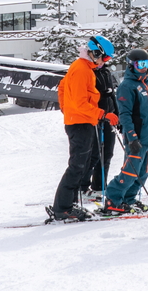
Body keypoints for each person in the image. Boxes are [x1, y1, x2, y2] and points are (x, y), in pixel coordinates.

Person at [49, 36, 118, 222]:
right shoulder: (82, 70)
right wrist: (102, 114)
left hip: (82, 120)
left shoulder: (83, 67)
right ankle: (62, 208)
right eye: (104, 58)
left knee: (83, 163)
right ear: (95, 53)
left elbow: (62, 88)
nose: (104, 62)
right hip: (80, 123)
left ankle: (68, 204)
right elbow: (80, 102)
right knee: (77, 166)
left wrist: (67, 109)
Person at [101, 48, 148, 214]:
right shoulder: (127, 86)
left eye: (146, 64)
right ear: (131, 65)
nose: (144, 68)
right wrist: (131, 137)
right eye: (140, 64)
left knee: (143, 173)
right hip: (136, 139)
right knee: (131, 171)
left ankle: (129, 199)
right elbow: (125, 114)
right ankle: (113, 199)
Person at [87, 37, 120, 198]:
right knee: (93, 154)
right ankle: (83, 185)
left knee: (107, 152)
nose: (104, 61)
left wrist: (117, 116)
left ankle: (100, 185)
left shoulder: (105, 72)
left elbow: (112, 95)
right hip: (95, 117)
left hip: (109, 117)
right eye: (104, 57)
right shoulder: (89, 72)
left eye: (108, 59)